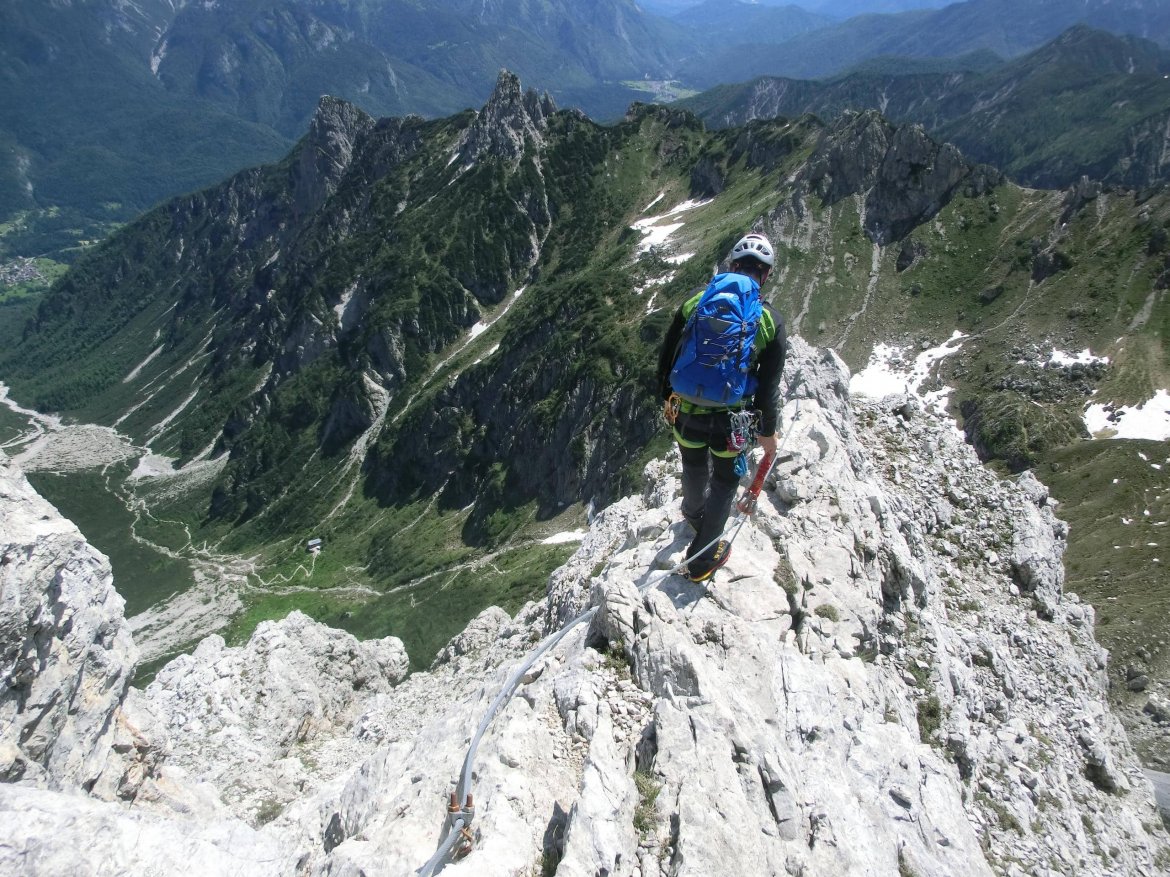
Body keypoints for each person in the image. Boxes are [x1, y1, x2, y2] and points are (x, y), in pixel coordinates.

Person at [655, 232, 788, 582]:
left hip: (686, 412)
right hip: (731, 423)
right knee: (727, 480)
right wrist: (767, 433)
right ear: (766, 275)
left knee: (693, 462)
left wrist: (668, 403)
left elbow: (666, 360)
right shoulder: (770, 321)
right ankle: (701, 561)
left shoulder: (695, 303)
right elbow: (768, 389)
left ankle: (693, 512)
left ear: (731, 265)